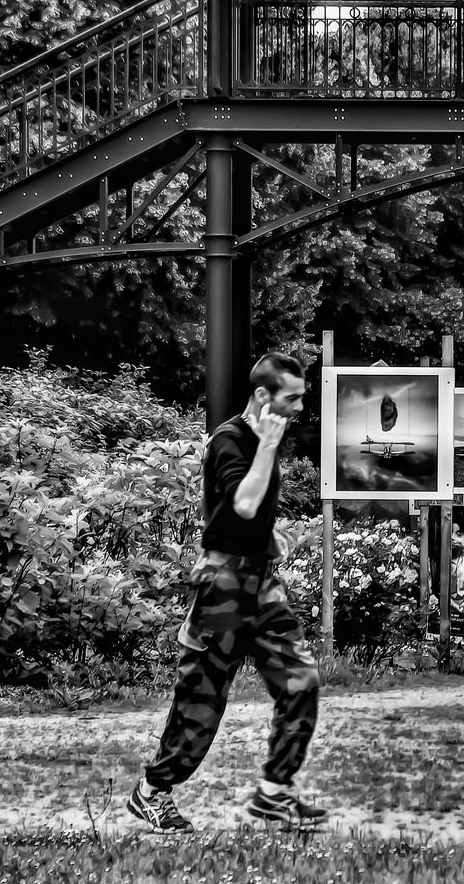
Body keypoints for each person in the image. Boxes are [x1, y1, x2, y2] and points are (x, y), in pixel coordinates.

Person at [128, 353, 326, 834]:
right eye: (292, 397)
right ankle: (152, 792)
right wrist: (266, 448)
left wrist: (269, 539)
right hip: (223, 586)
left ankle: (274, 794)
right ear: (263, 395)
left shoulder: (264, 440)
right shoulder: (231, 440)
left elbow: (244, 518)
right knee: (204, 700)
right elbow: (242, 501)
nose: (300, 406)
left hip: (262, 583)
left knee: (301, 681)